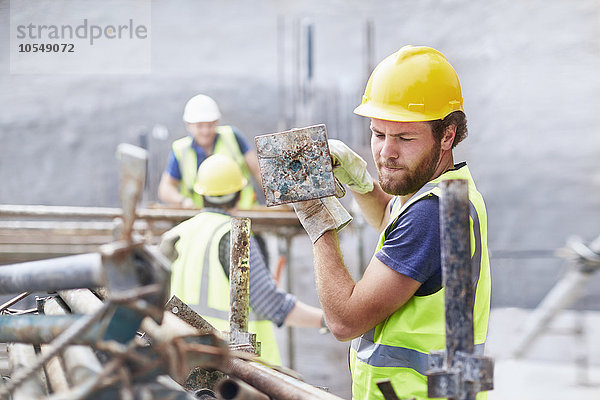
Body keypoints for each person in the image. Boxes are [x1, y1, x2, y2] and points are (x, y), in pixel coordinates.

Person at [292, 45, 491, 399]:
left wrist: (317, 219)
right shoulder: (449, 193)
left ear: (447, 135)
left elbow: (344, 321)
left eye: (404, 137)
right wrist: (361, 182)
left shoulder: (431, 215)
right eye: (378, 134)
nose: (386, 152)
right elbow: (390, 218)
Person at [162, 154, 324, 365]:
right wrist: (325, 319)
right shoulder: (235, 236)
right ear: (239, 195)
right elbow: (270, 303)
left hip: (183, 362)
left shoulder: (176, 234)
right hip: (232, 369)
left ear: (200, 194)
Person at [158, 94, 262, 209]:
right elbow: (165, 189)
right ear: (189, 126)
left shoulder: (232, 137)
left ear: (217, 122)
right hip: (202, 219)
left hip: (242, 215)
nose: (205, 131)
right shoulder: (181, 150)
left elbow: (259, 171)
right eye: (200, 126)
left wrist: (277, 197)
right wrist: (183, 201)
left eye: (210, 125)